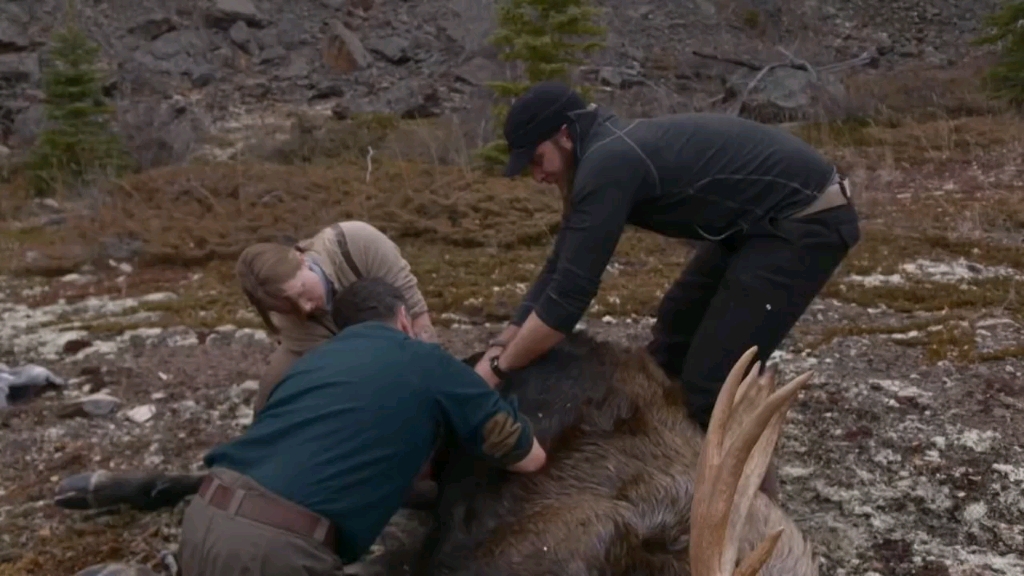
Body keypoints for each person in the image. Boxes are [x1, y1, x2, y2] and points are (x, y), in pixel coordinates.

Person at [472, 81, 861, 500]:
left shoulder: (608, 163)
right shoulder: (599, 154)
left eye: (537, 159)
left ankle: (758, 509)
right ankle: (674, 463)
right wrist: (507, 337)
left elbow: (567, 301)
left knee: (713, 384)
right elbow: (559, 266)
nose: (538, 175)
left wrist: (497, 370)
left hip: (807, 220)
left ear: (564, 134)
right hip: (753, 226)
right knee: (673, 334)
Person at [178, 277, 547, 576]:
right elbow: (528, 458)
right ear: (404, 318)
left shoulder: (308, 365)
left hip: (201, 520)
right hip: (280, 552)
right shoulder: (426, 361)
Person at [235, 220, 438, 414]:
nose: (305, 308)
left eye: (301, 292)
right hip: (340, 355)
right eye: (290, 307)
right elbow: (342, 371)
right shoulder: (286, 321)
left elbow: (417, 315)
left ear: (301, 258)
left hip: (389, 327)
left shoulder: (358, 244)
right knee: (275, 384)